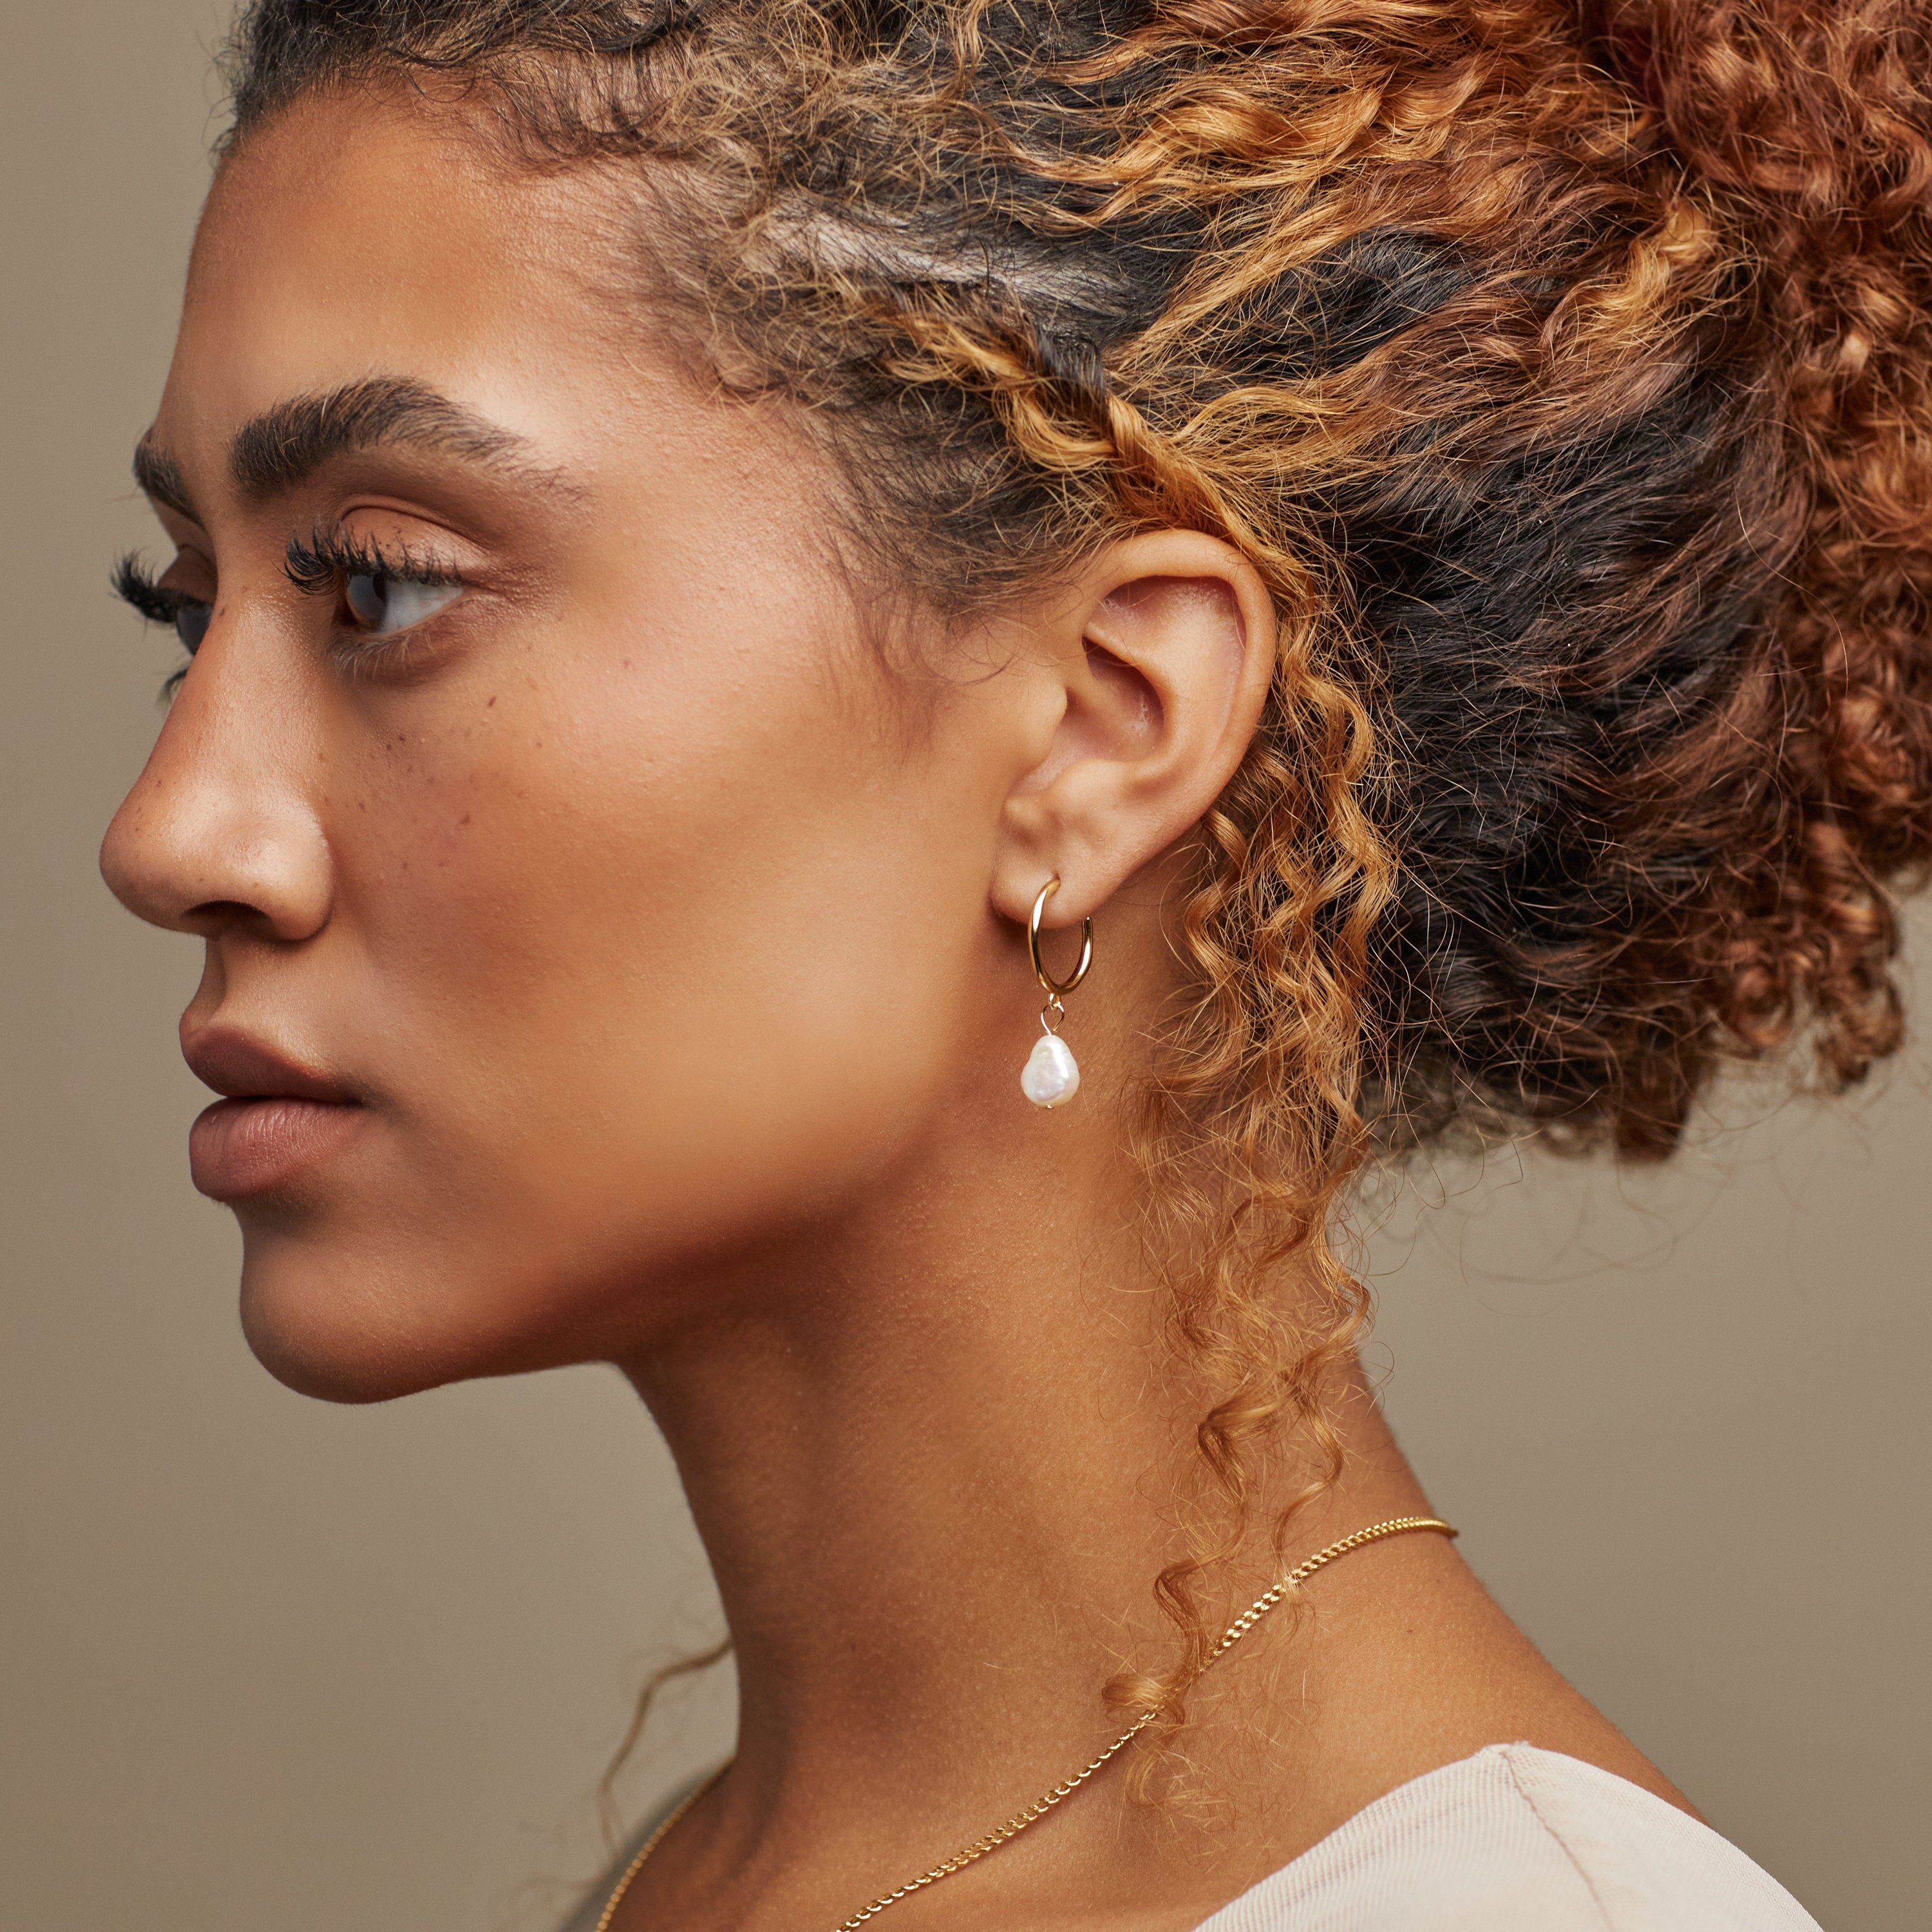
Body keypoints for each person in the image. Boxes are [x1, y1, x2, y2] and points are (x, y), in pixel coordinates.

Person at [100, 1, 1929, 1927]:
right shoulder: (718, 1882)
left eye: (379, 585)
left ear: (1099, 728)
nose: (170, 833)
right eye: (185, 609)